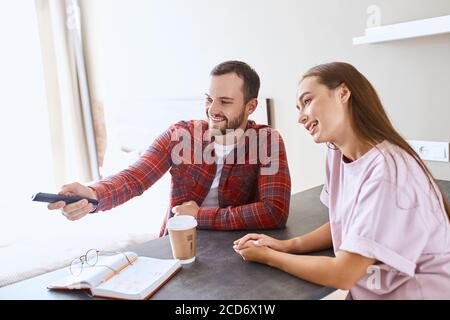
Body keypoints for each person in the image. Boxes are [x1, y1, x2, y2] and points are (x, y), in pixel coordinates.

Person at [233, 62, 450, 299]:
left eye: (307, 101)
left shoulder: (387, 170)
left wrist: (268, 256)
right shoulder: (336, 153)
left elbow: (345, 273)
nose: (300, 118)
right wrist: (287, 245)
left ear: (343, 93)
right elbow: (346, 223)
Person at [48, 60, 291, 237]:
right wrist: (92, 195)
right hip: (178, 244)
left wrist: (199, 216)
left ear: (251, 106)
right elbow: (135, 177)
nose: (212, 109)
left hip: (238, 248)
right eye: (209, 99)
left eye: (225, 101)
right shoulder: (180, 135)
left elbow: (274, 212)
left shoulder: (267, 141)